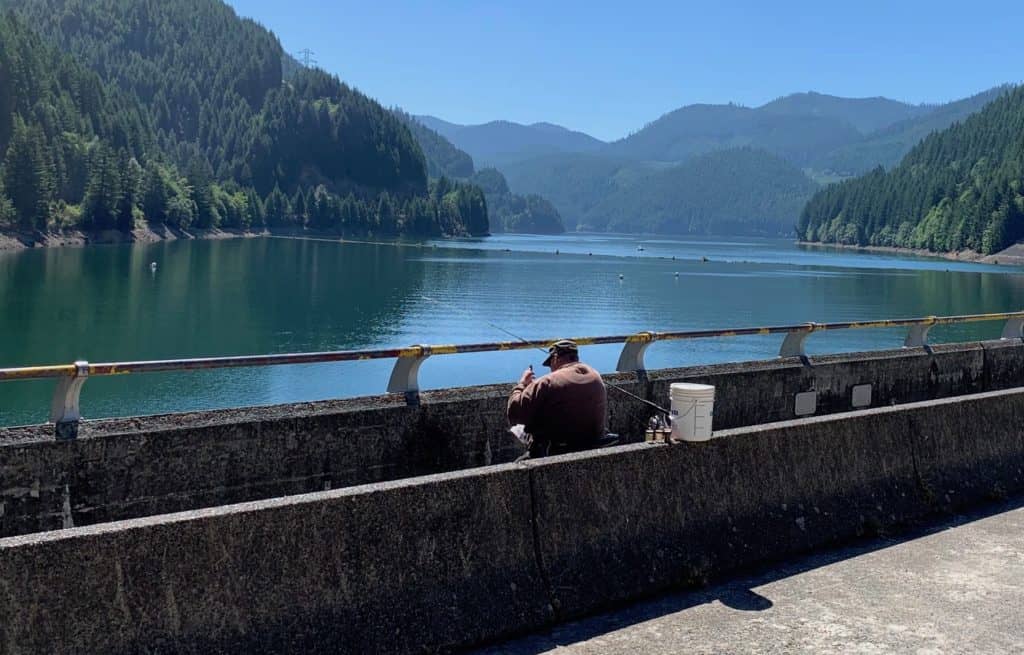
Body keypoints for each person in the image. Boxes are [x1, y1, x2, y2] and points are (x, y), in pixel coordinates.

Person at [507, 339, 607, 458]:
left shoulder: (547, 382)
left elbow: (514, 412)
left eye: (550, 364)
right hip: (591, 449)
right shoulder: (596, 376)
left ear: (555, 357)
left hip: (555, 452)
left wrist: (522, 384)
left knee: (518, 430)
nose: (550, 368)